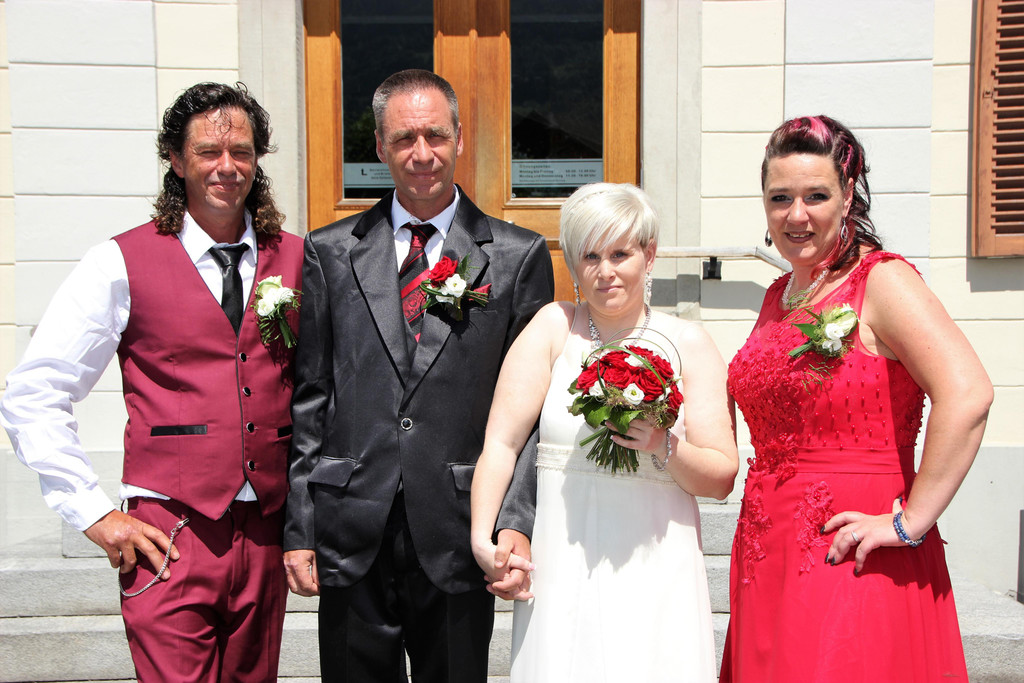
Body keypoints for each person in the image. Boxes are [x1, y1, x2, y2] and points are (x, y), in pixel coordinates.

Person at [0, 82, 303, 681]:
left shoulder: (298, 258)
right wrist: (93, 512)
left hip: (268, 529)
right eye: (208, 151)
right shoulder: (118, 262)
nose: (227, 167)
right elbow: (34, 392)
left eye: (241, 151)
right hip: (169, 530)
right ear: (176, 160)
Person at [282, 69, 554, 683]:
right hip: (351, 521)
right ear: (380, 146)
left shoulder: (517, 257)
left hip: (461, 523)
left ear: (460, 138)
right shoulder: (329, 251)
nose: (422, 153)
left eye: (435, 135)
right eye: (404, 138)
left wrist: (514, 521)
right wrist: (301, 525)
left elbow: (532, 414)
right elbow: (312, 396)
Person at [719, 115, 993, 681]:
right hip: (767, 551)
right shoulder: (779, 294)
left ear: (848, 196)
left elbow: (967, 394)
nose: (797, 215)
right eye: (780, 198)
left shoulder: (882, 282)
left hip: (852, 549)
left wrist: (911, 522)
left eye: (816, 196)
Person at [470, 182, 739, 682]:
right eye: (590, 256)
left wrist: (663, 444)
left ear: (649, 255)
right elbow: (501, 445)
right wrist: (482, 537)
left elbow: (722, 476)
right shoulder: (554, 327)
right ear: (573, 264)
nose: (605, 271)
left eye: (620, 254)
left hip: (657, 566)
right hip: (562, 564)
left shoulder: (689, 342)